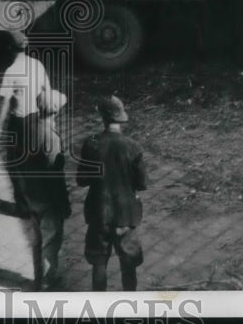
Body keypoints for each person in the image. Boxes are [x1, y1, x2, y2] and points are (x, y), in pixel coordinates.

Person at [77, 95, 147, 292]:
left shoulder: (91, 144)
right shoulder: (133, 147)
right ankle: (130, 306)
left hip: (99, 212)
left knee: (99, 263)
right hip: (126, 215)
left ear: (103, 118)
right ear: (120, 118)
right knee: (129, 264)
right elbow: (142, 184)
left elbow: (82, 180)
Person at [0, 30, 52, 215]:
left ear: (9, 48)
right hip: (37, 120)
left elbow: (4, 104)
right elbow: (47, 91)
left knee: (16, 165)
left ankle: (24, 207)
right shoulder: (37, 65)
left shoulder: (11, 71)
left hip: (19, 123)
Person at [17, 88, 72, 291]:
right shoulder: (51, 138)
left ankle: (38, 277)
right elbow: (54, 177)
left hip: (30, 193)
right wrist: (63, 203)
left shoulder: (29, 124)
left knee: (37, 239)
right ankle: (48, 282)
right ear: (56, 111)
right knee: (50, 243)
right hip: (48, 199)